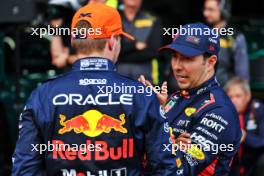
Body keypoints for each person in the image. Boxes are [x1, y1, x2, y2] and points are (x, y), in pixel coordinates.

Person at [12, 3, 176, 175]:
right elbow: (165, 168)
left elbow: (24, 169)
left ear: (74, 40)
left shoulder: (42, 95)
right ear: (113, 41)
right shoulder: (142, 95)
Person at [140, 23, 242, 175]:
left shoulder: (220, 111)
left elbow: (176, 170)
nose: (177, 66)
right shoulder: (175, 98)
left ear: (210, 62)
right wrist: (152, 112)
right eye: (175, 57)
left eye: (187, 58)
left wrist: (158, 128)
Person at [203, 0, 250, 86]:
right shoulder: (200, 33)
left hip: (224, 93)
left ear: (223, 11)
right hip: (201, 93)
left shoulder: (235, 37)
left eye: (211, 10)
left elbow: (242, 77)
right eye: (205, 9)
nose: (205, 13)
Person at [225, 77, 264, 176]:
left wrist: (245, 137)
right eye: (230, 97)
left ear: (247, 96)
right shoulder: (223, 114)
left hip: (254, 165)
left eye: (238, 96)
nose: (233, 100)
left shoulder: (258, 110)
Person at [117, 0, 163, 85]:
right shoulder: (114, 18)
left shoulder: (152, 19)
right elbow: (111, 47)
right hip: (118, 76)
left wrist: (122, 53)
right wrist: (134, 45)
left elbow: (153, 51)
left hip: (146, 77)